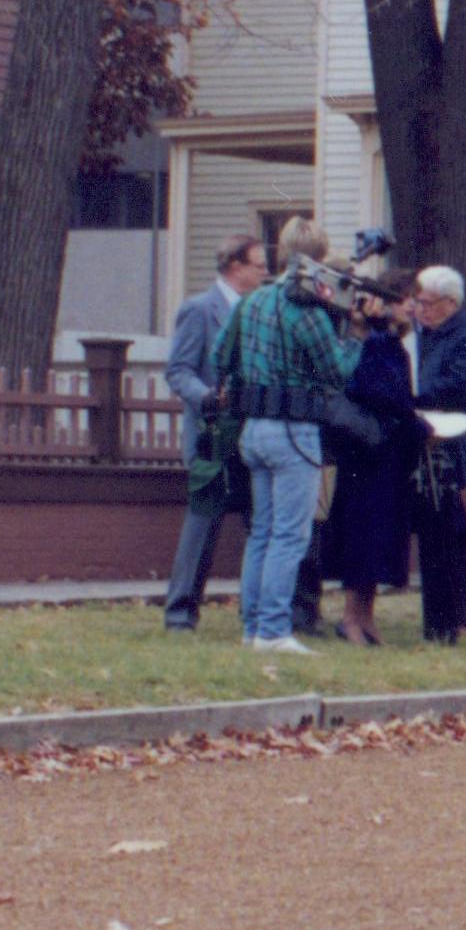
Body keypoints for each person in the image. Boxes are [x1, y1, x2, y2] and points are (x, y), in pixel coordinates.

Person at [219, 216, 353, 653]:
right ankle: (274, 629)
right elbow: (336, 372)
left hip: (254, 426)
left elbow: (221, 353)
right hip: (294, 428)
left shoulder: (252, 301)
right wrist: (357, 336)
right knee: (290, 535)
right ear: (318, 261)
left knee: (262, 531)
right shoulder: (308, 309)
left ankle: (252, 625)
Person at [160, 234, 266, 631]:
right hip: (211, 438)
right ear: (235, 266)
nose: (265, 271)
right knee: (203, 524)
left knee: (260, 521)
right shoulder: (199, 310)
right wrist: (207, 398)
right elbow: (178, 371)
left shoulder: (258, 312)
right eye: (258, 264)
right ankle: (180, 614)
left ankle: (256, 615)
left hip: (252, 433)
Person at [319, 269, 418, 645]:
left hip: (389, 455)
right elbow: (377, 393)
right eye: (406, 297)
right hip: (367, 455)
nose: (413, 305)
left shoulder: (391, 342)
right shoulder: (374, 342)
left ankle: (367, 616)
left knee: (382, 537)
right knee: (363, 536)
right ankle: (350, 618)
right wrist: (415, 422)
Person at [409, 265, 466, 646]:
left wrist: (412, 394)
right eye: (418, 302)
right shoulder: (422, 336)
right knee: (433, 531)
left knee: (461, 531)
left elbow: (458, 385)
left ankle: (463, 618)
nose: (420, 310)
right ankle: (437, 618)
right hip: (430, 443)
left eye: (427, 303)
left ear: (450, 303)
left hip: (462, 445)